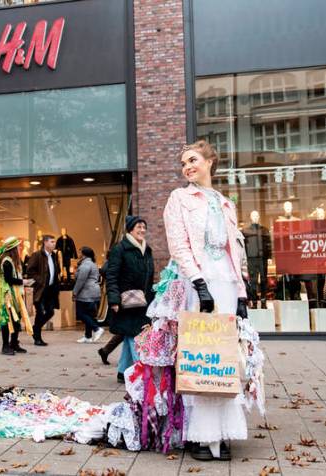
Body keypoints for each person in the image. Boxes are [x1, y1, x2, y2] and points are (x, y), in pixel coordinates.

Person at [156, 140, 260, 460]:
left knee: (224, 358)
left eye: (193, 160)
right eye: (183, 163)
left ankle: (222, 434)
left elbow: (235, 250)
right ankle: (201, 437)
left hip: (226, 283)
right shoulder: (179, 198)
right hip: (199, 282)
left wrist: (241, 294)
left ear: (209, 161)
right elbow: (179, 245)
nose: (187, 167)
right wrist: (199, 283)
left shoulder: (226, 203)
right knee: (202, 355)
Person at [106, 216, 155, 383]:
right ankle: (140, 373)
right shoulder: (120, 249)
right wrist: (113, 299)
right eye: (138, 227)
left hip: (142, 302)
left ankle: (123, 372)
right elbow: (112, 275)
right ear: (130, 229)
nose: (142, 230)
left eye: (144, 227)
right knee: (135, 335)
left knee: (131, 334)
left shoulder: (147, 249)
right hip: (126, 302)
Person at [0, 237, 33, 355]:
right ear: (13, 248)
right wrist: (24, 282)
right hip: (6, 295)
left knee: (16, 319)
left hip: (14, 293)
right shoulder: (6, 261)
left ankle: (14, 343)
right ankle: (5, 346)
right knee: (6, 320)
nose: (20, 248)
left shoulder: (12, 260)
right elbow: (9, 279)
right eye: (18, 246)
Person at [27, 234, 60, 346]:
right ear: (45, 243)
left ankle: (35, 328)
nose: (54, 244)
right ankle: (37, 338)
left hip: (50, 289)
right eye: (52, 242)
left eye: (54, 242)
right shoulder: (37, 255)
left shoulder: (54, 255)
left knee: (50, 312)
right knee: (40, 313)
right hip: (40, 289)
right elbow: (30, 271)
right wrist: (41, 280)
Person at [72, 246, 104, 344]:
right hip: (93, 292)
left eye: (80, 252)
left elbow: (81, 280)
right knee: (89, 314)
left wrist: (75, 292)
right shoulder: (92, 263)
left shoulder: (86, 265)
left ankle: (97, 328)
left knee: (81, 313)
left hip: (86, 293)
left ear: (83, 254)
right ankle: (88, 336)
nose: (78, 254)